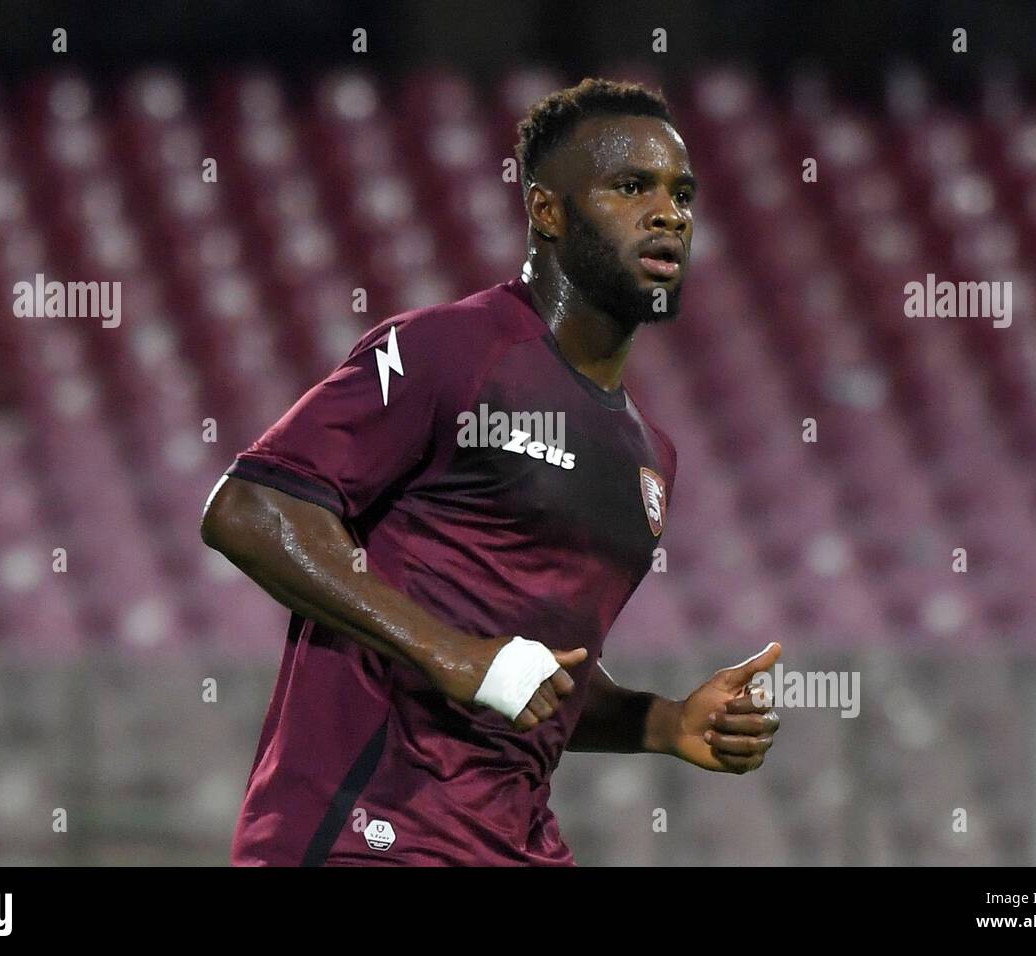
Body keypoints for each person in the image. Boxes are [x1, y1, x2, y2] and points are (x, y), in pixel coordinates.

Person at [201, 77, 781, 866]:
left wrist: (664, 723)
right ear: (547, 211)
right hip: (365, 832)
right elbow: (250, 510)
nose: (668, 213)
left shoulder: (651, 456)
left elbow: (535, 677)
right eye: (630, 186)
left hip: (511, 842)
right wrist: (449, 654)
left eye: (683, 193)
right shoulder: (452, 353)